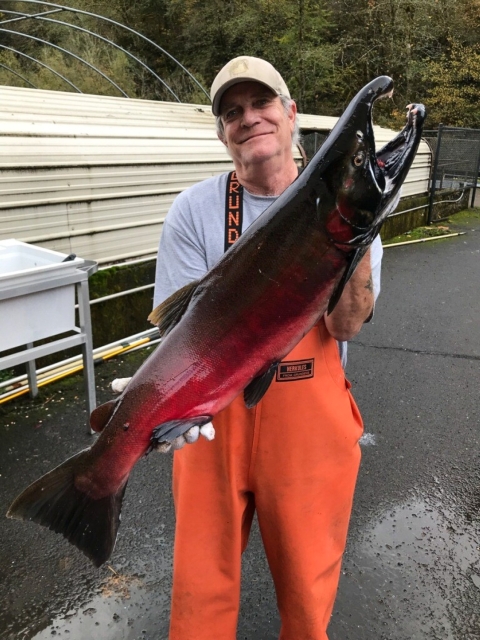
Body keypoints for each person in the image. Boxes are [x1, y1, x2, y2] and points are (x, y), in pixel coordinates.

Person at [118, 56, 383, 639]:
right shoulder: (193, 212)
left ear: (290, 116)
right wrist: (159, 403)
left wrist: (358, 232)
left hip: (310, 428)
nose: (249, 118)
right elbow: (179, 333)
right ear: (221, 133)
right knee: (199, 596)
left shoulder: (347, 201)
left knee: (310, 595)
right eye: (232, 112)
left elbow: (346, 326)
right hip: (213, 423)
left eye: (262, 104)